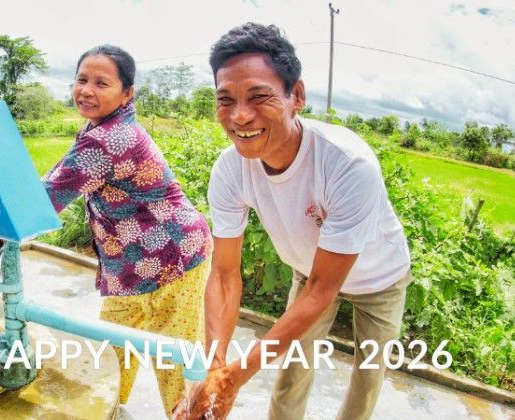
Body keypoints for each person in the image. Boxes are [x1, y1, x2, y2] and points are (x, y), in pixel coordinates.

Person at [175, 23, 412, 419]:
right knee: (292, 368)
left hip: (379, 280)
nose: (240, 116)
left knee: (367, 377)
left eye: (258, 96)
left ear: (296, 96)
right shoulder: (230, 170)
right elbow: (224, 275)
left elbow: (324, 288)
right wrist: (215, 367)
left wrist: (234, 378)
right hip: (309, 271)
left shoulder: (347, 164)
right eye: (225, 99)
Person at [42, 44, 212, 417]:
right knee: (112, 353)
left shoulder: (109, 139)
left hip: (172, 257)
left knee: (174, 360)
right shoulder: (98, 128)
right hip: (132, 266)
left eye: (102, 83)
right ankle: (109, 409)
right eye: (82, 79)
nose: (87, 90)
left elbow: (46, 199)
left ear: (127, 93)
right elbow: (57, 175)